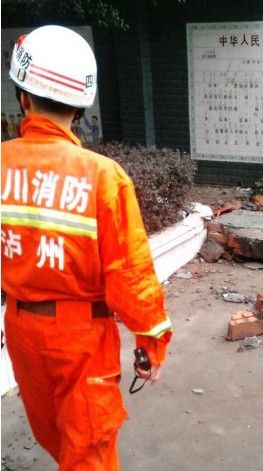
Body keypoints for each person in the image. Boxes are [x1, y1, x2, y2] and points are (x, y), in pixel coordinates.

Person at [1, 25, 172, 470]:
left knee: (56, 437)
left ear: (23, 98)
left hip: (20, 331)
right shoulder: (102, 176)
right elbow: (129, 272)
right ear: (80, 105)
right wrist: (152, 339)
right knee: (89, 453)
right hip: (80, 341)